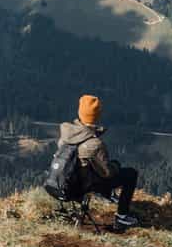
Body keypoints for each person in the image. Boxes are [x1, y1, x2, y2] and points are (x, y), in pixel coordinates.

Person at [58, 94, 140, 228]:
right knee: (130, 174)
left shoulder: (66, 136)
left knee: (94, 168)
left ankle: (109, 196)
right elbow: (107, 173)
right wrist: (116, 166)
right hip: (86, 185)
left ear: (80, 112)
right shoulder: (95, 144)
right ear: (96, 115)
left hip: (68, 182)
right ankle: (122, 216)